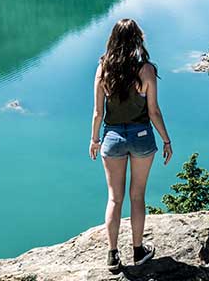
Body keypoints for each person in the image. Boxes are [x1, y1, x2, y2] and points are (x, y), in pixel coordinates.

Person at [90, 18, 173, 270]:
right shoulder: (146, 70)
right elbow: (154, 111)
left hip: (112, 139)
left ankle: (113, 255)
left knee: (114, 199)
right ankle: (138, 251)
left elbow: (97, 112)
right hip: (141, 139)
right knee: (137, 196)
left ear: (113, 39)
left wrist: (94, 139)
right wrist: (166, 140)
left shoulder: (103, 68)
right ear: (137, 39)